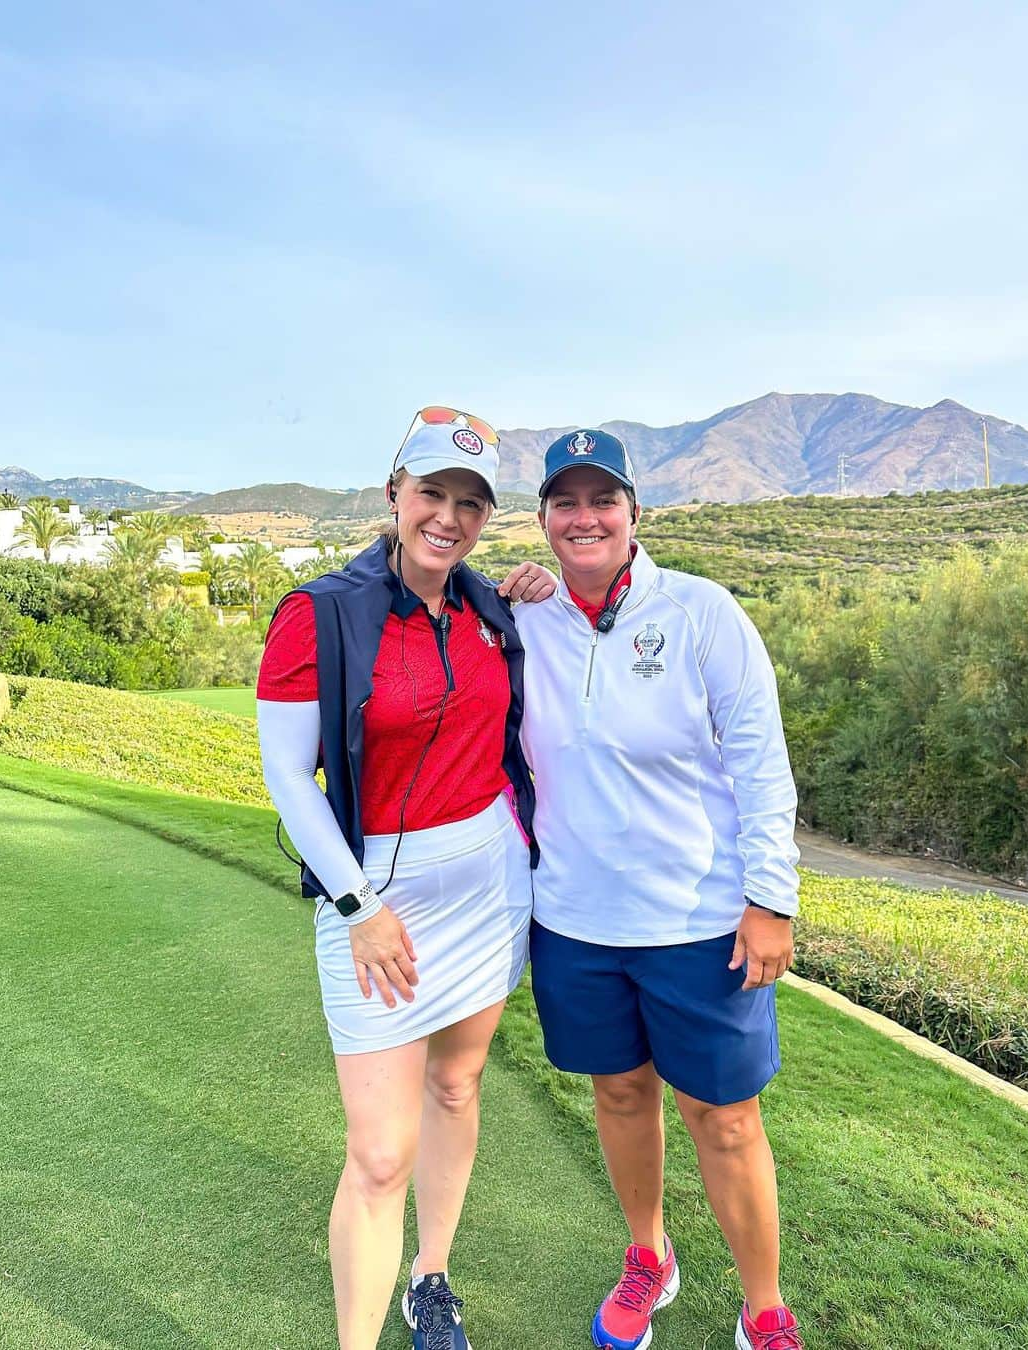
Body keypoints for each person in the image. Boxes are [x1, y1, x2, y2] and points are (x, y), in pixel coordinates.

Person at [256, 407, 554, 1350]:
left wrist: (542, 593)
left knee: (459, 1090)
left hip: (487, 886)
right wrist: (357, 905)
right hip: (373, 898)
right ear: (394, 495)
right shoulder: (319, 613)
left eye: (471, 502)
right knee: (380, 1155)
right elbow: (285, 779)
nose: (449, 517)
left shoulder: (490, 606)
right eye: (433, 493)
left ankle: (432, 1279)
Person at [514, 429, 804, 1350]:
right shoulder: (520, 613)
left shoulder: (702, 612)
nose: (585, 517)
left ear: (635, 513)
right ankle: (650, 1255)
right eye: (567, 503)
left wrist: (773, 898)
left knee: (724, 1120)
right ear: (546, 521)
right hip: (573, 920)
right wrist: (510, 587)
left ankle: (763, 1311)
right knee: (620, 1096)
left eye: (604, 501)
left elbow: (761, 760)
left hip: (699, 921)